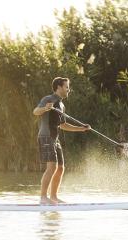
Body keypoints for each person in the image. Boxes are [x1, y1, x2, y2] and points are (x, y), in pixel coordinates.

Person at [33, 77, 90, 205]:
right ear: (59, 87)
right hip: (46, 136)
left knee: (60, 168)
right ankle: (43, 197)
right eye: (66, 87)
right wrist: (45, 108)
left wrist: (82, 129)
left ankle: (53, 197)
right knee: (51, 167)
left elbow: (63, 125)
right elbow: (35, 111)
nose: (68, 89)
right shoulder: (48, 99)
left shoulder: (62, 105)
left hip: (55, 138)